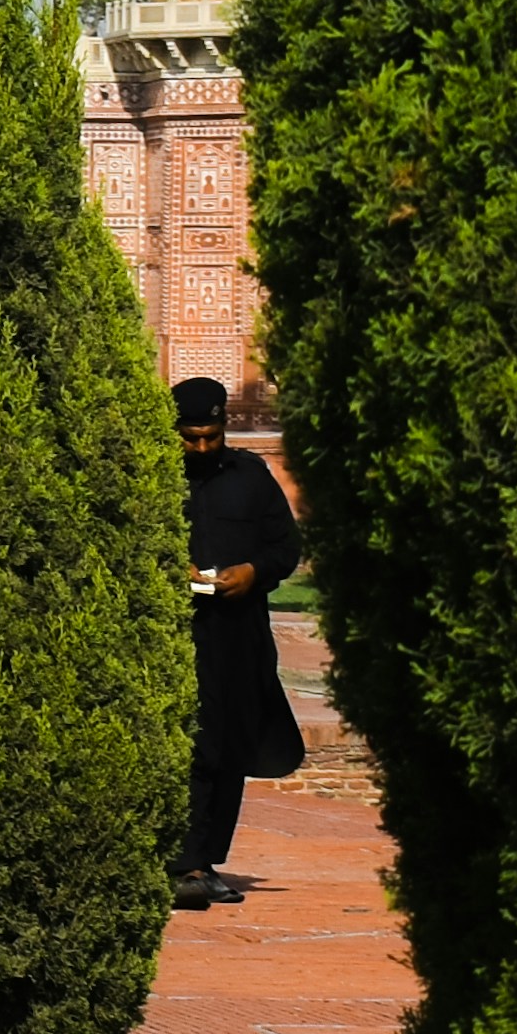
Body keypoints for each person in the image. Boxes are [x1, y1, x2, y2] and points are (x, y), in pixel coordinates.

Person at [171, 375, 305, 907]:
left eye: (211, 436)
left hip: (239, 634)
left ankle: (204, 861)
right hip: (179, 632)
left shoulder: (250, 476)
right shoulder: (154, 480)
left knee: (231, 746)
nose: (203, 447)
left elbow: (284, 547)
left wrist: (253, 571)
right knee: (194, 746)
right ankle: (185, 862)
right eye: (192, 438)